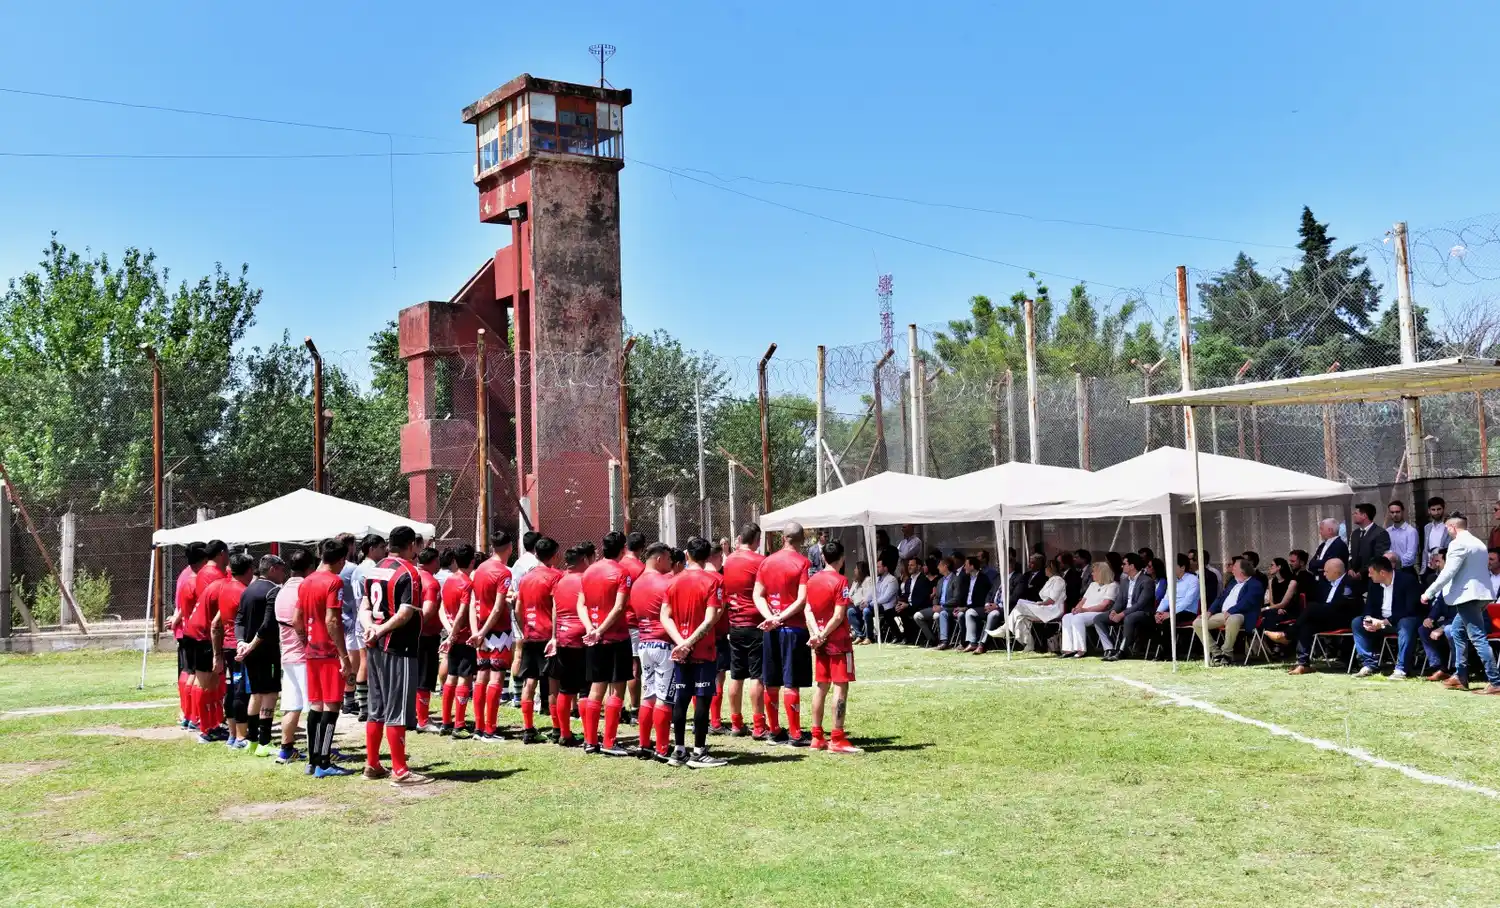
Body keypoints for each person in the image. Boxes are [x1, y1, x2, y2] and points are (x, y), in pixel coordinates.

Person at [359, 525, 432, 786]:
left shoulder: (374, 569)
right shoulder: (409, 572)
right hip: (398, 647)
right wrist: (380, 630)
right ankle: (400, 770)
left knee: (376, 707)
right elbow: (404, 613)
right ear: (411, 545)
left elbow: (364, 606)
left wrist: (370, 628)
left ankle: (372, 764)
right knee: (397, 708)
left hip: (375, 646)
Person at [657, 536, 729, 768]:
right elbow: (710, 619)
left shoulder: (673, 581)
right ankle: (698, 752)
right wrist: (689, 642)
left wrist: (681, 642)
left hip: (681, 651)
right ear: (707, 557)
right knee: (702, 699)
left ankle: (679, 751)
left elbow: (664, 616)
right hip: (703, 650)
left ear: (686, 555)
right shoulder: (713, 582)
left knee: (681, 698)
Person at [1423, 515, 1500, 694]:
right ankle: (1460, 676)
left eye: (1446, 528)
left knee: (1478, 638)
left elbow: (1448, 571)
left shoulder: (1457, 544)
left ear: (1452, 527)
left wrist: (1429, 592)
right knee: (1457, 630)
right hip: (1481, 595)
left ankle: (1495, 682)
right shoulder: (1478, 543)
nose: (1447, 532)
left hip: (1468, 596)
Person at [753, 522, 813, 746]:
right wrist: (780, 617)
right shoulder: (803, 563)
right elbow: (802, 599)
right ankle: (795, 734)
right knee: (791, 682)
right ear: (802, 540)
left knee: (772, 680)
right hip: (793, 629)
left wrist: (770, 617)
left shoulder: (767, 561)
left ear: (782, 537)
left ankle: (774, 730)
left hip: (771, 629)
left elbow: (757, 595)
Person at [300, 538, 355, 778]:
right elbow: (332, 621)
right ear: (341, 560)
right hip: (329, 652)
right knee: (332, 705)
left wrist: (307, 642)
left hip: (312, 651)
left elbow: (296, 619)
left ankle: (312, 761)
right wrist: (344, 656)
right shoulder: (334, 581)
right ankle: (323, 762)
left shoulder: (306, 581)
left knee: (316, 704)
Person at [577, 531, 634, 756]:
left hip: (595, 639)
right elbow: (619, 607)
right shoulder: (622, 572)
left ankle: (590, 741)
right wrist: (600, 630)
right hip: (616, 638)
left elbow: (581, 604)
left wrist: (590, 628)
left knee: (596, 687)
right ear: (623, 549)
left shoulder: (589, 571)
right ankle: (609, 742)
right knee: (617, 688)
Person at [804, 539, 861, 754]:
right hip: (838, 642)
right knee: (840, 686)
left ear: (823, 557)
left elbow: (807, 610)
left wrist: (816, 634)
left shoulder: (812, 580)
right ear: (842, 558)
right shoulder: (841, 581)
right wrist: (823, 634)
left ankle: (816, 736)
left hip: (820, 641)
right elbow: (838, 616)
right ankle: (837, 737)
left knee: (821, 686)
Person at [235, 554, 287, 757]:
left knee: (256, 694)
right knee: (270, 694)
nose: (283, 573)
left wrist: (241, 642)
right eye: (282, 569)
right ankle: (265, 742)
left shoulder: (248, 590)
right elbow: (268, 625)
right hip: (266, 650)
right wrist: (250, 645)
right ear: (273, 569)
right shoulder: (274, 591)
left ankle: (252, 740)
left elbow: (239, 620)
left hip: (249, 651)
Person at [513, 536, 563, 745]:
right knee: (552, 683)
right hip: (548, 636)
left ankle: (528, 729)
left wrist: (524, 628)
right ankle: (557, 729)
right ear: (554, 555)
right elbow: (556, 607)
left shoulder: (525, 578)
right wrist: (555, 635)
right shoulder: (556, 577)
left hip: (530, 635)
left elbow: (517, 608)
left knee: (529, 681)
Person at [628, 542, 676, 760]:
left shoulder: (636, 583)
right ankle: (662, 748)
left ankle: (644, 743)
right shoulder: (666, 582)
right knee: (664, 697)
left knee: (648, 694)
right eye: (668, 559)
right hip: (664, 643)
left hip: (644, 643)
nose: (670, 563)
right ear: (659, 559)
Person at [720, 525, 767, 738]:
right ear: (756, 539)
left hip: (735, 623)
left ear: (740, 538)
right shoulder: (760, 561)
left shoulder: (729, 560)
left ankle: (736, 723)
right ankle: (758, 725)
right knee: (757, 676)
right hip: (755, 623)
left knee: (736, 675)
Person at [469, 530, 516, 741]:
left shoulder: (479, 569)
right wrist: (483, 632)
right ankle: (490, 729)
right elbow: (497, 608)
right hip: (497, 630)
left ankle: (479, 727)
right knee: (496, 677)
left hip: (480, 629)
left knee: (481, 676)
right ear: (510, 547)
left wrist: (476, 632)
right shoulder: (504, 573)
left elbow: (473, 603)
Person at [272, 548, 315, 763]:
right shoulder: (305, 588)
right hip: (304, 655)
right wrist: (307, 642)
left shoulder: (282, 590)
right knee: (316, 707)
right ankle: (319, 753)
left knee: (292, 705)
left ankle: (286, 749)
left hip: (287, 654)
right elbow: (303, 621)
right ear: (310, 567)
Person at [183, 540, 229, 741]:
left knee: (208, 680)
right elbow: (217, 608)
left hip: (198, 631)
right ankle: (204, 727)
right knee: (206, 681)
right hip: (203, 633)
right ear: (221, 553)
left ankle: (207, 722)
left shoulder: (204, 573)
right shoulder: (215, 575)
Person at [210, 553, 255, 749]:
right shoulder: (244, 593)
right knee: (241, 691)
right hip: (241, 647)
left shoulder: (225, 589)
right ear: (249, 570)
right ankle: (241, 737)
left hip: (227, 647)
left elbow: (215, 624)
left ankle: (232, 734)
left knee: (231, 689)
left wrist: (217, 654)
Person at [549, 544, 592, 746]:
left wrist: (554, 636)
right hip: (583, 636)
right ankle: (589, 735)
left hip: (563, 636)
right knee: (584, 689)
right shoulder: (586, 580)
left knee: (565, 688)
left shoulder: (560, 580)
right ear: (583, 560)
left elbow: (555, 610)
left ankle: (564, 733)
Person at [1352, 555, 1421, 679]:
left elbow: (1410, 609)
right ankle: (1369, 664)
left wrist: (1384, 622)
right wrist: (1368, 619)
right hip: (1380, 621)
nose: (1369, 575)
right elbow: (1369, 606)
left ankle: (1401, 669)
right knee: (1357, 622)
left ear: (1382, 573)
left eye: (1371, 573)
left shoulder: (1407, 580)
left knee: (1407, 623)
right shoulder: (1374, 584)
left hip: (1401, 621)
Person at [1288, 557, 1360, 676]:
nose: (1324, 574)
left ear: (1336, 572)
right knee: (1307, 625)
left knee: (1311, 607)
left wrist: (1324, 608)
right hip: (1327, 618)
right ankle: (1303, 664)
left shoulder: (1350, 583)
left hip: (1343, 618)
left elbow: (1345, 603)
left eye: (1326, 571)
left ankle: (1288, 634)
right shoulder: (1325, 585)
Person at [344, 533, 385, 721]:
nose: (384, 551)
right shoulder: (372, 569)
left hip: (359, 619)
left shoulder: (357, 569)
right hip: (370, 620)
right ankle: (368, 706)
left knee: (363, 662)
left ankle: (363, 705)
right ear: (372, 549)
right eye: (381, 547)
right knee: (369, 663)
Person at [438, 544, 477, 738]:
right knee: (464, 678)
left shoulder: (449, 580)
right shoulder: (467, 584)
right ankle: (459, 725)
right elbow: (463, 612)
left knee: (451, 677)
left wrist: (448, 631)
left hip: (452, 636)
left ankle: (446, 722)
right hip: (464, 637)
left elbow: (441, 608)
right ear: (472, 562)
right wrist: (453, 634)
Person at [168, 542, 208, 729]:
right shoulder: (196, 577)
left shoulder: (184, 574)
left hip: (184, 630)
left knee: (186, 671)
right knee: (196, 673)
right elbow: (188, 606)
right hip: (194, 631)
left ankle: (187, 714)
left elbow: (180, 604)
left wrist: (176, 619)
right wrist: (176, 618)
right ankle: (194, 716)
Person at [991, 556, 1061, 652]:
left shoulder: (1059, 580)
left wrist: (1039, 603)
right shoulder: (1050, 580)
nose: (1044, 570)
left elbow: (1051, 600)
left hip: (1051, 610)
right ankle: (1028, 643)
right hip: (1044, 607)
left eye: (1046, 568)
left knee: (1019, 608)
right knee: (1020, 616)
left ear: (1050, 569)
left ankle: (1005, 629)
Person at [1099, 553, 1156, 661]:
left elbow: (1140, 604)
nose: (1122, 566)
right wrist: (1114, 611)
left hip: (1143, 613)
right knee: (1099, 618)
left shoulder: (1147, 581)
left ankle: (1122, 651)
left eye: (1124, 564)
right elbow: (1120, 601)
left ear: (1132, 566)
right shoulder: (1125, 581)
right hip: (1125, 612)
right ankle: (1110, 649)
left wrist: (1122, 614)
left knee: (1129, 618)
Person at [411, 547, 443, 732]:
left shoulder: (412, 575)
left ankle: (413, 716)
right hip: (426, 636)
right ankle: (422, 720)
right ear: (434, 561)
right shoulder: (431, 583)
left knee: (414, 677)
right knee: (424, 678)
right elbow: (429, 611)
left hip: (412, 636)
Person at [619, 530, 648, 724]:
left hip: (616, 621)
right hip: (633, 622)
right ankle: (635, 709)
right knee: (634, 667)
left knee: (618, 667)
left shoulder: (617, 564)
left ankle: (617, 706)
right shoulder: (641, 568)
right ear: (642, 548)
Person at [1059, 563, 1117, 658]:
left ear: (1102, 573)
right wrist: (1076, 608)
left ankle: (1080, 650)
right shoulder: (1093, 585)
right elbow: (1083, 601)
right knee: (1066, 617)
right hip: (1085, 611)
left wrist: (1084, 610)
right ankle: (1068, 649)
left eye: (1094, 572)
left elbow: (1105, 605)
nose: (1092, 574)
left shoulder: (1112, 585)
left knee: (1078, 618)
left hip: (1098, 613)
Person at [1151, 554, 1200, 656]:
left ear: (1182, 567)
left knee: (1167, 622)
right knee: (1149, 620)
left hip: (1187, 612)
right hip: (1173, 611)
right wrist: (1158, 612)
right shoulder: (1172, 580)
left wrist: (1171, 613)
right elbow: (1166, 599)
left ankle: (1169, 654)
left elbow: (1187, 601)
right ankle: (1166, 648)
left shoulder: (1193, 579)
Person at [1420, 550, 1454, 681]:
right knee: (1424, 629)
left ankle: (1456, 669)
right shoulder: (1446, 581)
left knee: (1449, 630)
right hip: (1449, 620)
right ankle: (1439, 666)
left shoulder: (1461, 581)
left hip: (1466, 622)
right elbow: (1440, 602)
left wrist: (1442, 627)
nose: (1437, 564)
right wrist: (1430, 618)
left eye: (1440, 561)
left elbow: (1463, 614)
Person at [1258, 556, 1305, 647]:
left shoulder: (1292, 581)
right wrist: (1275, 609)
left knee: (1268, 613)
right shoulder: (1271, 581)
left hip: (1289, 610)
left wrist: (1268, 608)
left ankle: (1271, 643)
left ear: (1279, 567)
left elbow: (1284, 603)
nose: (1269, 567)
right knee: (1265, 613)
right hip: (1275, 609)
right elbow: (1271, 601)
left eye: (1272, 565)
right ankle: (1270, 642)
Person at [1347, 503, 1391, 589]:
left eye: (1356, 513)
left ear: (1364, 516)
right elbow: (1350, 553)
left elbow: (1378, 557)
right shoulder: (1355, 534)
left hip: (1372, 579)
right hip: (1354, 580)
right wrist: (1350, 569)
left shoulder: (1380, 533)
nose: (1353, 515)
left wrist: (1362, 573)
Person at [1386, 500, 1419, 574]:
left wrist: (1395, 563)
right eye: (1392, 512)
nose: (1395, 514)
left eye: (1397, 512)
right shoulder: (1387, 531)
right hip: (1391, 570)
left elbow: (1410, 555)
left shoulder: (1411, 531)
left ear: (1403, 512)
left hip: (1406, 569)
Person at [847, 561, 875, 644]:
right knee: (850, 611)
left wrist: (856, 598)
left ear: (861, 570)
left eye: (856, 568)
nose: (854, 570)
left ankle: (869, 637)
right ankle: (860, 635)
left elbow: (867, 596)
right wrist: (855, 598)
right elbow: (850, 595)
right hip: (858, 605)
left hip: (869, 605)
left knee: (866, 611)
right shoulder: (855, 582)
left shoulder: (868, 580)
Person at [1421, 497, 1449, 568]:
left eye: (1439, 509)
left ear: (1443, 509)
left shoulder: (1449, 526)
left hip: (1445, 565)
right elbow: (1425, 549)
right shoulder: (1427, 527)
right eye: (1433, 510)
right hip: (1430, 566)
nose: (1436, 512)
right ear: (1429, 511)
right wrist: (1423, 568)